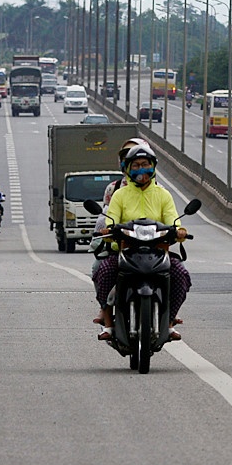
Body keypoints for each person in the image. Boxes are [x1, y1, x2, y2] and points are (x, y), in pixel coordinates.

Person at [92, 143, 189, 342]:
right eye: (135, 165)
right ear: (126, 168)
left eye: (145, 164)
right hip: (125, 252)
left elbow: (173, 220)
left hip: (157, 252)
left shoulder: (163, 194)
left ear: (153, 166)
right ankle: (109, 325)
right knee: (103, 271)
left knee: (180, 274)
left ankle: (169, 323)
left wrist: (179, 231)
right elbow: (111, 220)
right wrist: (108, 230)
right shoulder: (119, 194)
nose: (140, 170)